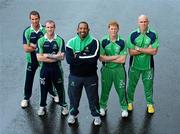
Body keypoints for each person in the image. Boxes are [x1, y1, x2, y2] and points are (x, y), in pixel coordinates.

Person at [66, 21, 101, 125]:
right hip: (75, 76)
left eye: (85, 28)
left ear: (88, 30)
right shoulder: (71, 42)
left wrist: (78, 56)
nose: (82, 30)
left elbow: (94, 58)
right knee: (73, 97)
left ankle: (96, 115)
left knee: (93, 98)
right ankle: (73, 114)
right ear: (77, 30)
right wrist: (84, 57)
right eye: (80, 28)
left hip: (90, 77)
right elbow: (69, 60)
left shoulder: (94, 41)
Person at [21, 11, 58, 108]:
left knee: (47, 77)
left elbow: (49, 45)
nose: (34, 21)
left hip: (42, 59)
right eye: (32, 19)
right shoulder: (27, 31)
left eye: (36, 19)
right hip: (32, 59)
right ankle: (26, 98)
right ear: (30, 19)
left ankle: (53, 93)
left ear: (39, 18)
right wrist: (39, 47)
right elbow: (26, 48)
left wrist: (33, 46)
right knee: (29, 79)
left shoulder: (45, 29)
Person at [127, 15, 159, 114]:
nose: (143, 23)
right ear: (138, 23)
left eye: (145, 21)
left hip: (148, 66)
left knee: (148, 86)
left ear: (148, 22)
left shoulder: (153, 34)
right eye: (141, 22)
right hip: (134, 66)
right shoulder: (133, 35)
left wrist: (138, 48)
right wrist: (147, 49)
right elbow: (131, 52)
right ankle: (129, 102)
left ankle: (150, 104)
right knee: (131, 85)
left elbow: (154, 51)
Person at [36, 20, 68, 116]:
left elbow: (62, 57)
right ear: (45, 28)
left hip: (56, 69)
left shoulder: (59, 40)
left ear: (54, 28)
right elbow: (39, 57)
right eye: (48, 27)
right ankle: (42, 106)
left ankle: (64, 106)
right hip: (44, 70)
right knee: (43, 88)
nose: (50, 29)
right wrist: (55, 57)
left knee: (60, 88)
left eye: (51, 27)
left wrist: (47, 56)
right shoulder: (40, 41)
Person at [99, 21, 128, 117]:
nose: (113, 31)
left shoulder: (122, 41)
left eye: (115, 29)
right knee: (105, 90)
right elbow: (101, 58)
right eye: (111, 29)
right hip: (106, 69)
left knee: (121, 89)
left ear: (118, 29)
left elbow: (123, 60)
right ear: (108, 29)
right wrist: (116, 57)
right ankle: (103, 107)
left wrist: (108, 58)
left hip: (119, 70)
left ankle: (124, 108)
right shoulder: (103, 41)